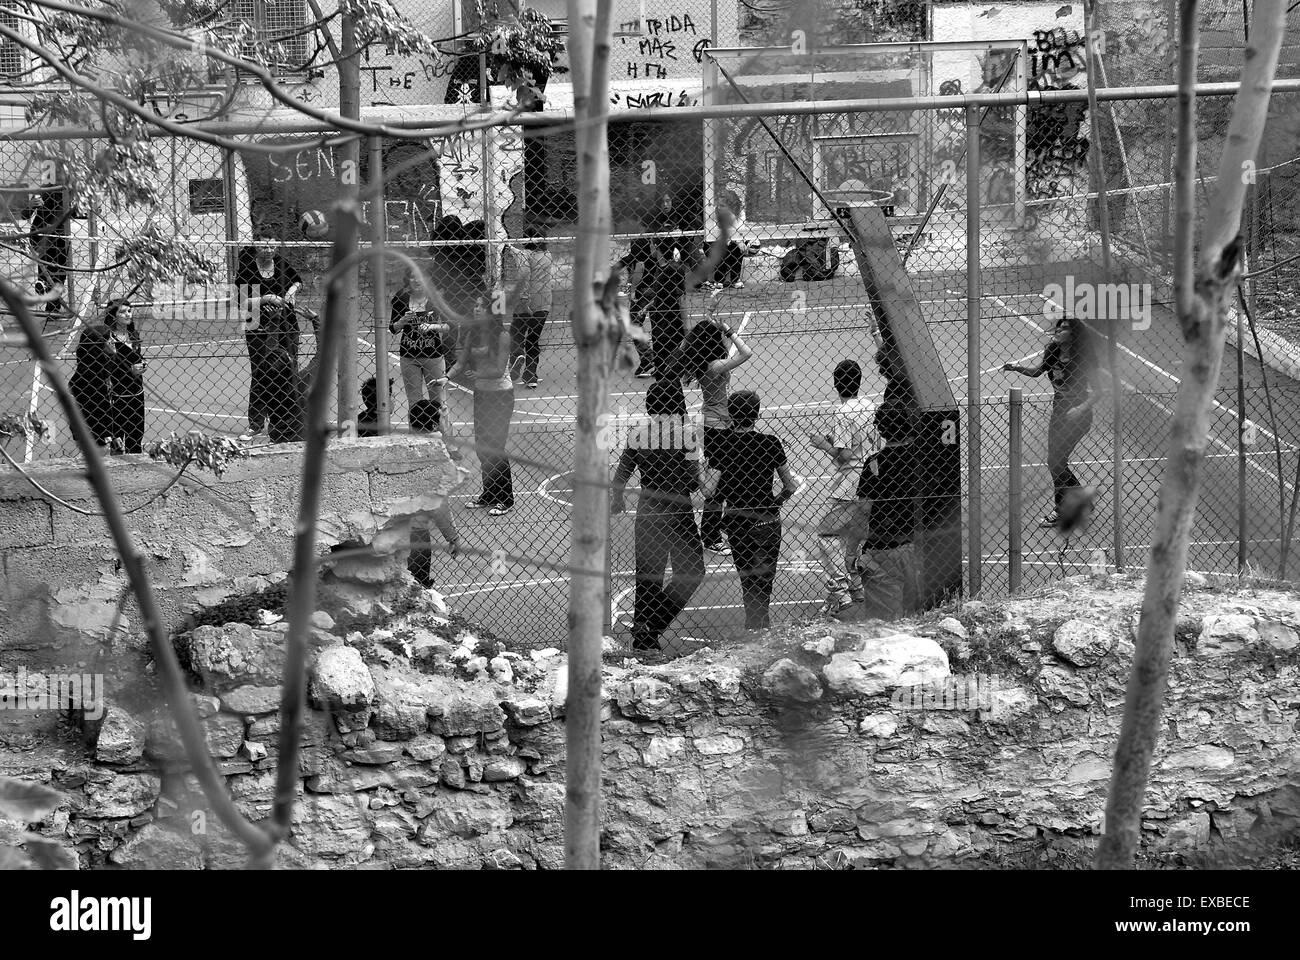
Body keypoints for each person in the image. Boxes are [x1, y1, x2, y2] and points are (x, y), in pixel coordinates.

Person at [610, 379, 705, 653]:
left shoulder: (638, 433)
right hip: (678, 511)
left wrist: (617, 500)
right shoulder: (685, 434)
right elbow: (693, 478)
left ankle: (644, 635)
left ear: (650, 404)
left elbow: (621, 474)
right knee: (692, 571)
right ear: (677, 403)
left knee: (648, 577)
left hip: (649, 510)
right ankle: (654, 625)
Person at [1003, 314, 1105, 527]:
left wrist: (1080, 409)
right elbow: (1038, 372)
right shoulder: (1052, 351)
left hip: (1078, 414)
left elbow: (1098, 391)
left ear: (1074, 334)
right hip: (1058, 411)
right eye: (1057, 328)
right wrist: (1016, 367)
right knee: (1055, 462)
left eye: (1064, 328)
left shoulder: (1084, 356)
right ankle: (1081, 499)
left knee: (1056, 462)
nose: (1058, 331)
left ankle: (1061, 510)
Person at [716, 390, 800, 631]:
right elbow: (790, 485)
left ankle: (753, 624)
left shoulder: (722, 445)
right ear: (756, 415)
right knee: (764, 580)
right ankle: (759, 625)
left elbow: (711, 490)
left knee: (747, 578)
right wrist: (776, 502)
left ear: (731, 415)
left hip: (737, 521)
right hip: (766, 519)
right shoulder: (770, 443)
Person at [675, 318, 753, 554]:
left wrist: (696, 332)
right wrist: (728, 330)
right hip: (718, 427)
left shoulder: (700, 364)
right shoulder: (715, 365)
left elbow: (682, 350)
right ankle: (710, 536)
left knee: (725, 479)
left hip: (714, 424)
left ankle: (721, 526)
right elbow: (746, 353)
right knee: (717, 486)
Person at [809, 359, 879, 615]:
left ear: (836, 384)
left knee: (827, 535)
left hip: (850, 483)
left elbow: (844, 456)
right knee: (853, 541)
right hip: (872, 479)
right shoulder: (871, 407)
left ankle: (840, 591)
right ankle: (856, 589)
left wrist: (822, 445)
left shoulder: (843, 412)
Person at [634, 209, 735, 380]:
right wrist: (647, 307)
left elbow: (679, 299)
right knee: (663, 372)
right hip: (660, 326)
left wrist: (685, 328)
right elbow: (661, 297)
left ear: (657, 247)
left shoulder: (673, 270)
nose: (650, 246)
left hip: (669, 328)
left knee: (670, 372)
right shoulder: (661, 270)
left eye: (652, 243)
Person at [853, 402, 922, 621]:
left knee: (884, 622)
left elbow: (863, 511)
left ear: (882, 429)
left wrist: (851, 551)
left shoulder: (875, 464)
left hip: (883, 548)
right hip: (920, 545)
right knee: (919, 615)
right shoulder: (923, 458)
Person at [449, 304, 514, 515]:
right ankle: (490, 493)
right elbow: (460, 363)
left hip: (500, 396)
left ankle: (506, 498)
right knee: (482, 447)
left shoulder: (502, 336)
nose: (476, 309)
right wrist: (445, 377)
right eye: (474, 305)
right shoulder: (473, 333)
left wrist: (477, 375)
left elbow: (498, 370)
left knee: (495, 447)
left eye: (480, 306)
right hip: (481, 395)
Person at [236, 237, 304, 441]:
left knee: (289, 370)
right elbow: (242, 302)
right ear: (256, 246)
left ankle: (286, 420)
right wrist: (266, 299)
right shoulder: (248, 269)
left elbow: (298, 281)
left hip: (286, 325)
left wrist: (291, 293)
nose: (269, 250)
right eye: (265, 246)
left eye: (273, 246)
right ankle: (256, 424)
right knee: (261, 373)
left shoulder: (281, 263)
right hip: (259, 327)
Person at [406, 397, 460, 587]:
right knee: (418, 585)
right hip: (416, 530)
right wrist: (452, 537)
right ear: (435, 424)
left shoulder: (399, 446)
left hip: (390, 527)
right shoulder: (437, 454)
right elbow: (439, 505)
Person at [390, 270, 452, 429]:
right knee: (414, 401)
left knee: (439, 401)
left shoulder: (435, 299)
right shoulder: (401, 298)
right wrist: (403, 320)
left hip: (433, 356)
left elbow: (448, 326)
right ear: (408, 280)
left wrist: (432, 326)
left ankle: (447, 441)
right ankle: (417, 438)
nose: (417, 280)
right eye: (413, 277)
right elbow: (393, 328)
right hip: (409, 356)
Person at [505, 227, 554, 389]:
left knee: (516, 334)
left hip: (527, 301)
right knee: (533, 338)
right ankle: (531, 374)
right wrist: (512, 248)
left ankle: (517, 360)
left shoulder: (525, 255)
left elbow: (524, 274)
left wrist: (524, 300)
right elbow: (519, 253)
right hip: (544, 301)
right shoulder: (547, 255)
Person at [103, 299, 146, 454]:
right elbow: (105, 368)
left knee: (136, 437)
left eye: (129, 310)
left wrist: (142, 365)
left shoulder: (133, 335)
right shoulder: (108, 339)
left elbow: (137, 358)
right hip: (117, 395)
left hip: (137, 393)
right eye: (122, 312)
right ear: (113, 316)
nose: (128, 314)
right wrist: (130, 371)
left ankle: (135, 473)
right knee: (117, 441)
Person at [68, 324, 116, 449]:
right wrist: (107, 436)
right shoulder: (89, 374)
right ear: (98, 345)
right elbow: (97, 410)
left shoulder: (101, 365)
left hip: (101, 434)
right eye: (108, 339)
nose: (113, 341)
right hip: (95, 437)